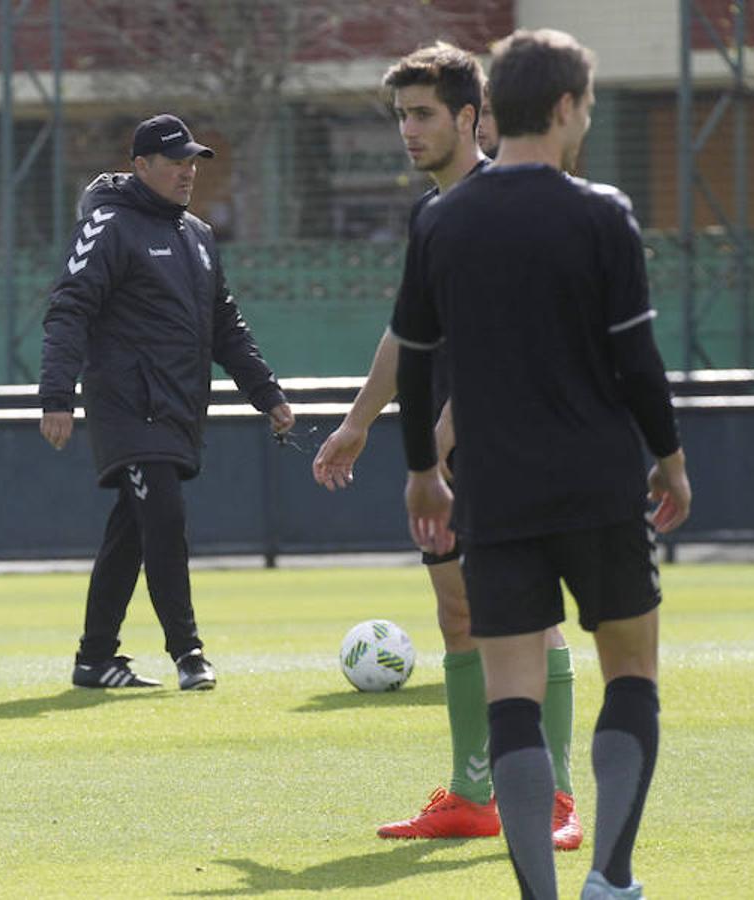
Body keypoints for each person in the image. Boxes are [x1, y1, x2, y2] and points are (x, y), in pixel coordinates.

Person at [392, 29, 691, 900]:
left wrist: (422, 471)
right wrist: (669, 461)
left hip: (496, 495)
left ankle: (539, 896)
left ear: (494, 109)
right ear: (565, 107)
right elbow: (637, 363)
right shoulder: (601, 213)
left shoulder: (441, 220)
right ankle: (612, 877)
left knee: (511, 698)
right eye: (588, 105)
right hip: (599, 486)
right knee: (630, 674)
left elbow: (415, 359)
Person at [313, 43, 581, 849]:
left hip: (517, 442)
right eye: (400, 114)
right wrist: (359, 420)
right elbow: (411, 330)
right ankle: (474, 794)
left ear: (470, 118)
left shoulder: (510, 203)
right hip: (444, 451)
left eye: (423, 113)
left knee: (532, 619)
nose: (408, 129)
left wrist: (441, 435)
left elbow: (515, 342)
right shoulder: (431, 214)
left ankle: (560, 801)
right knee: (458, 612)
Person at [40, 114, 294, 692]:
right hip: (128, 408)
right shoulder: (108, 226)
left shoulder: (198, 236)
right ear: (141, 166)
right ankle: (189, 652)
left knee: (132, 530)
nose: (187, 172)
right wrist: (57, 394)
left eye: (191, 162)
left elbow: (226, 326)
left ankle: (95, 657)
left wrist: (266, 393)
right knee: (163, 518)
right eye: (176, 162)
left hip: (178, 410)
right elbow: (69, 308)